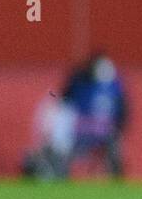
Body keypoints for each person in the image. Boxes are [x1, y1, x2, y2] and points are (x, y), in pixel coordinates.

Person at [23, 52, 128, 180]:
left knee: (113, 143)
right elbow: (65, 104)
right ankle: (56, 170)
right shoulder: (79, 82)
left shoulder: (115, 85)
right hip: (79, 131)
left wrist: (119, 127)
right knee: (62, 143)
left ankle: (116, 176)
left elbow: (123, 111)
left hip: (102, 132)